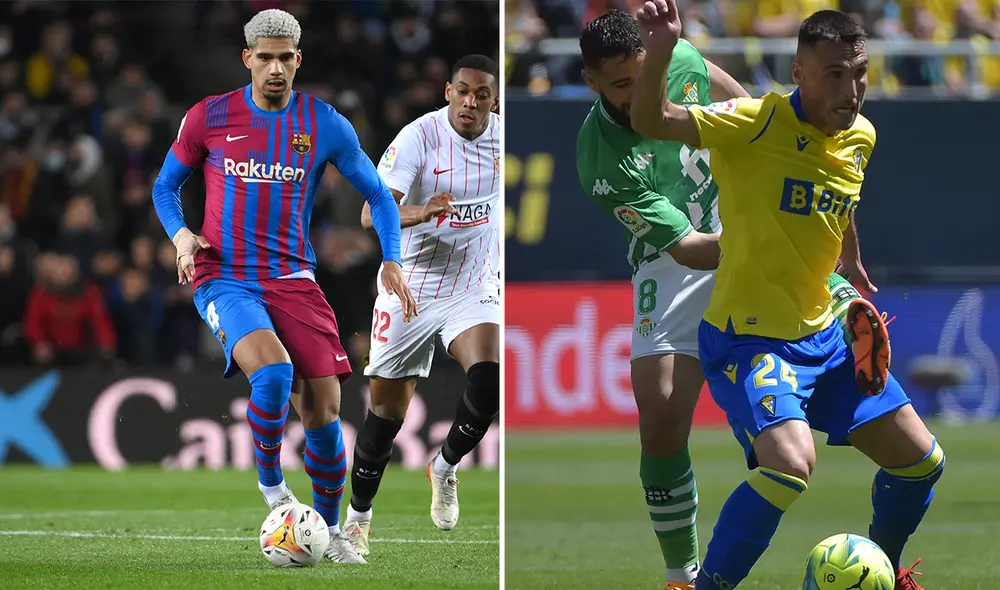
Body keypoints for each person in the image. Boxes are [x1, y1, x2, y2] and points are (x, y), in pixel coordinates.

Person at [630, 2, 938, 589]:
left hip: (824, 337)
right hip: (749, 341)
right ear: (798, 73)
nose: (851, 90)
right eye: (834, 75)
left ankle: (883, 569)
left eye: (860, 73)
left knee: (922, 461)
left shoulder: (860, 136)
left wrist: (849, 256)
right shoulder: (753, 123)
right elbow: (652, 119)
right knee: (790, 464)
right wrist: (662, 51)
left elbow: (839, 193)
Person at [575, 9, 883, 590]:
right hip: (675, 259)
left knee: (787, 268)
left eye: (641, 75)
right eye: (620, 85)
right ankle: (680, 575)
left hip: (744, 216)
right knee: (660, 418)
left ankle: (835, 301)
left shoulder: (679, 60)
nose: (638, 91)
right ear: (591, 82)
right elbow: (690, 250)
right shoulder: (599, 157)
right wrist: (763, 237)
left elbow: (747, 109)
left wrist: (769, 189)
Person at [150, 8, 416, 565]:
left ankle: (332, 532)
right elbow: (165, 187)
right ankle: (273, 489)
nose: (275, 68)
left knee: (324, 411)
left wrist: (391, 258)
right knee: (272, 373)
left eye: (285, 58)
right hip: (224, 276)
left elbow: (379, 195)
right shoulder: (209, 116)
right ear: (247, 58)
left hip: (293, 279)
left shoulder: (325, 124)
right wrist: (181, 236)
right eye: (265, 57)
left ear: (299, 60)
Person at [342, 54, 501, 558]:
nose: (470, 102)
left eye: (481, 95)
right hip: (411, 284)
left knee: (490, 379)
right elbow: (369, 214)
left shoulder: (503, 140)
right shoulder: (418, 137)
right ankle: (358, 520)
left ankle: (445, 466)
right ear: (448, 92)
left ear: (495, 101)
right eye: (462, 91)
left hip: (473, 284)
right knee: (385, 416)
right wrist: (422, 212)